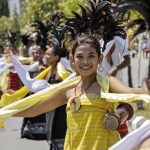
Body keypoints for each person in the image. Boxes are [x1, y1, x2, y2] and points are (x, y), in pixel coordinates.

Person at [12, 34, 149, 150]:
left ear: (99, 59)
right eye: (79, 56)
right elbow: (35, 109)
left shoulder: (107, 82)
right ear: (72, 59)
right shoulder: (68, 89)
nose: (85, 61)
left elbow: (130, 92)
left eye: (91, 56)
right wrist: (5, 111)